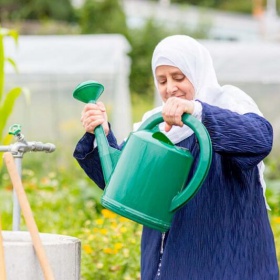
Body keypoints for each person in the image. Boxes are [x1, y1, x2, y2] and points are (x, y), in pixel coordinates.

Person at [73, 35, 279, 279]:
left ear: (197, 71)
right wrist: (101, 134)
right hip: (171, 262)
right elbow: (122, 184)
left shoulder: (228, 103)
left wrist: (198, 111)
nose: (170, 87)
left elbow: (260, 139)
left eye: (178, 77)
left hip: (228, 258)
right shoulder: (155, 125)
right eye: (162, 80)